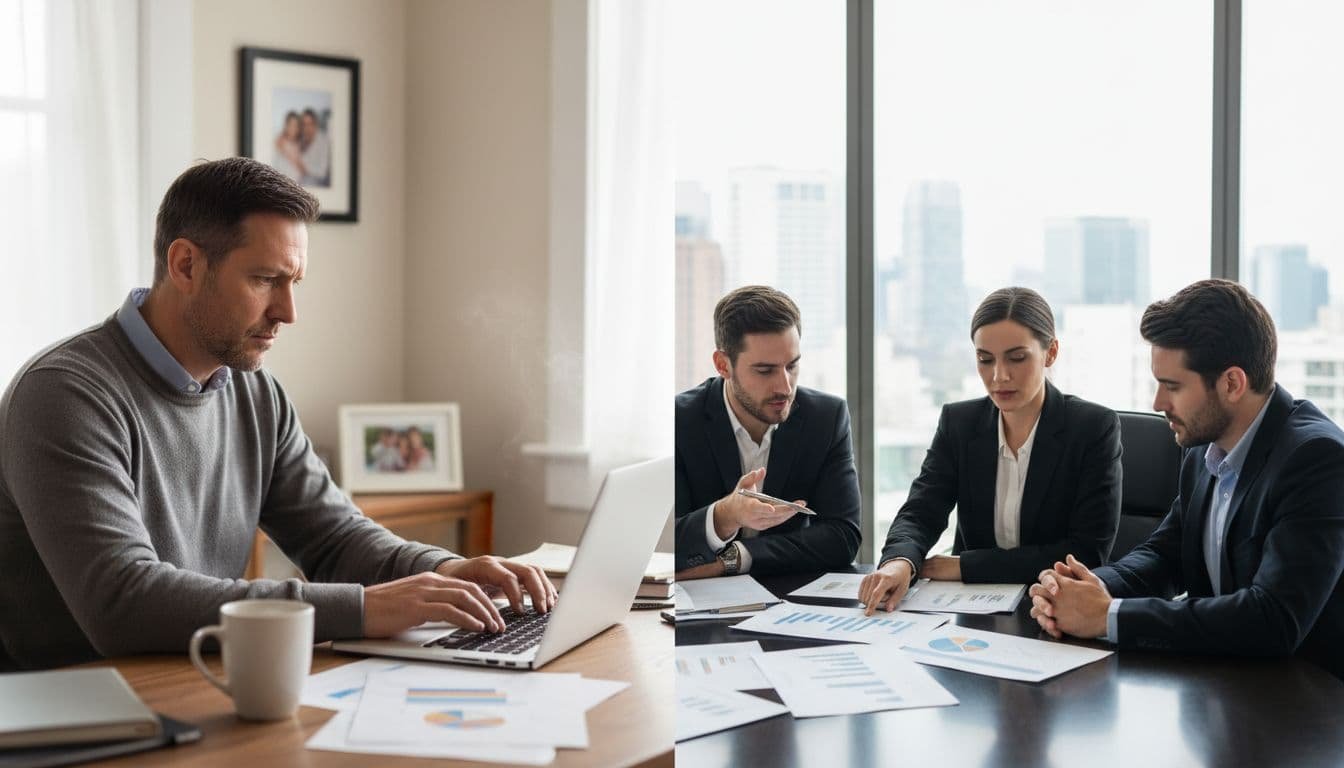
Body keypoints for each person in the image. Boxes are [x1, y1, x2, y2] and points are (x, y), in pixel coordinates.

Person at [0, 158, 555, 672]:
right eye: (266, 280)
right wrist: (365, 608)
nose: (288, 312)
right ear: (186, 263)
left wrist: (442, 570)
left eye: (294, 283)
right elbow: (124, 602)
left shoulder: (254, 392)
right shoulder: (64, 396)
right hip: (71, 718)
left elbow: (335, 538)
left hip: (196, 682)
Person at [1028, 279, 1344, 679]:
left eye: (1172, 386)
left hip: (1304, 709)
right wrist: (1079, 591)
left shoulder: (1316, 460)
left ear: (1231, 383)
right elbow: (1166, 553)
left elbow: (1273, 619)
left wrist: (1108, 616)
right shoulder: (1202, 448)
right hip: (1223, 690)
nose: (1158, 404)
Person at [859, 287, 1121, 614]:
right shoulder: (959, 423)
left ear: (1050, 353)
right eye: (985, 360)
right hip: (970, 613)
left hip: (1057, 610)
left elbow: (1086, 552)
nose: (999, 376)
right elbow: (921, 511)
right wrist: (899, 562)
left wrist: (963, 566)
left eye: (1017, 357)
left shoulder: (1093, 428)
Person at [675, 285, 861, 579]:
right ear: (723, 365)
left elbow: (843, 536)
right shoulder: (680, 421)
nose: (785, 387)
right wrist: (725, 516)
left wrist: (739, 557)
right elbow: (662, 544)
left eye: (792, 366)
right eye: (765, 370)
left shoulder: (826, 418)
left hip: (786, 602)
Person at [298, 108, 331, 187]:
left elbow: (322, 171)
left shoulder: (324, 141)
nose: (307, 128)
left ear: (315, 125)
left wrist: (303, 167)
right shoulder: (300, 139)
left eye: (310, 124)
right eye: (304, 124)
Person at [271, 111, 304, 183]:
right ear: (286, 125)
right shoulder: (280, 142)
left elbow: (302, 170)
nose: (293, 128)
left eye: (296, 125)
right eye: (290, 125)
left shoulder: (300, 144)